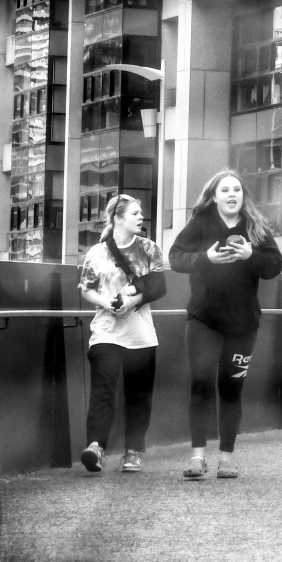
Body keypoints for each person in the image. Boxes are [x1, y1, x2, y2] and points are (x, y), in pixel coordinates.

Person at [168, 168, 282, 481]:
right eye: (225, 190)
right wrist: (205, 258)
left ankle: (227, 458)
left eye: (236, 190)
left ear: (243, 196)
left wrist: (250, 255)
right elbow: (175, 257)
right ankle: (197, 457)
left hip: (243, 325)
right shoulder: (201, 223)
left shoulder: (255, 226)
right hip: (204, 320)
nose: (231, 195)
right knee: (201, 383)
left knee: (231, 388)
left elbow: (274, 265)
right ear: (215, 196)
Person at [77, 192, 166, 473]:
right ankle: (95, 447)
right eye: (135, 214)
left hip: (141, 335)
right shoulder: (96, 252)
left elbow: (160, 287)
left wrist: (132, 301)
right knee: (102, 391)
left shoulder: (149, 249)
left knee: (138, 396)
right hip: (106, 332)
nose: (141, 218)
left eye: (141, 214)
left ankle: (132, 451)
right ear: (118, 218)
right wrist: (107, 303)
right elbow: (86, 289)